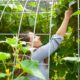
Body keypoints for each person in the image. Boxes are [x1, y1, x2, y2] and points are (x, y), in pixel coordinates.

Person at [21, 8, 73, 80]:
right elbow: (56, 40)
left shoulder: (30, 57)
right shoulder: (34, 56)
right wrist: (67, 17)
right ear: (28, 44)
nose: (38, 37)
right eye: (34, 37)